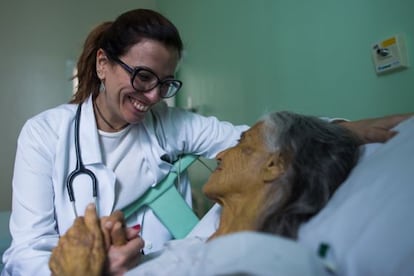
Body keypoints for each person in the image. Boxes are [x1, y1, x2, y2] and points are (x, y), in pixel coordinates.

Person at [1, 7, 410, 276]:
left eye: (165, 84)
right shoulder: (45, 134)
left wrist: (342, 129)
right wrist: (83, 268)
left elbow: (260, 142)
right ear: (103, 64)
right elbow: (26, 251)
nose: (154, 97)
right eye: (143, 78)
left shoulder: (172, 124)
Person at [48, 111, 361, 275]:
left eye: (243, 144)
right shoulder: (188, 250)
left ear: (274, 166)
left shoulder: (267, 262)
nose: (222, 154)